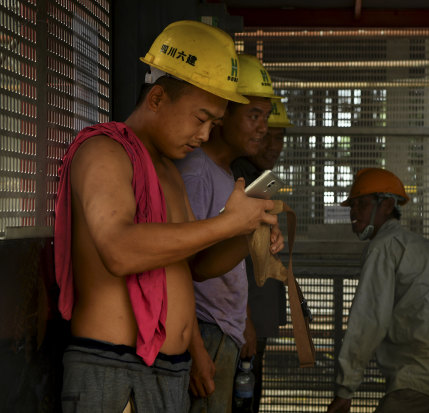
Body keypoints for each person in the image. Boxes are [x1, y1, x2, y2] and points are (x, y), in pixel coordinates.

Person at [53, 21, 283, 412]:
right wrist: (227, 222)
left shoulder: (169, 172)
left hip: (168, 372)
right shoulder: (105, 151)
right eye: (201, 118)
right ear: (157, 98)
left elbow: (197, 267)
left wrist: (246, 232)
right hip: (114, 367)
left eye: (214, 124)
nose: (206, 135)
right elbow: (119, 250)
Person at [174, 54, 281, 413]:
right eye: (254, 116)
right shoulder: (195, 170)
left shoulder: (224, 173)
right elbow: (179, 265)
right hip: (203, 330)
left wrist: (243, 318)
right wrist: (195, 348)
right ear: (223, 114)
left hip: (222, 329)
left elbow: (218, 258)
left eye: (265, 117)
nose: (263, 128)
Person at [327, 168, 429, 413]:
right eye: (352, 206)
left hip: (424, 375)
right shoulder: (426, 249)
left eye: (362, 204)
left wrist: (345, 389)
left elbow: (368, 321)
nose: (353, 212)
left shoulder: (384, 246)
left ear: (387, 205)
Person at [231, 98, 293, 413]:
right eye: (267, 133)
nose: (272, 143)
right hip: (242, 321)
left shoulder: (259, 177)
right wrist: (245, 319)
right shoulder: (241, 176)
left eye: (279, 136)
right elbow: (230, 257)